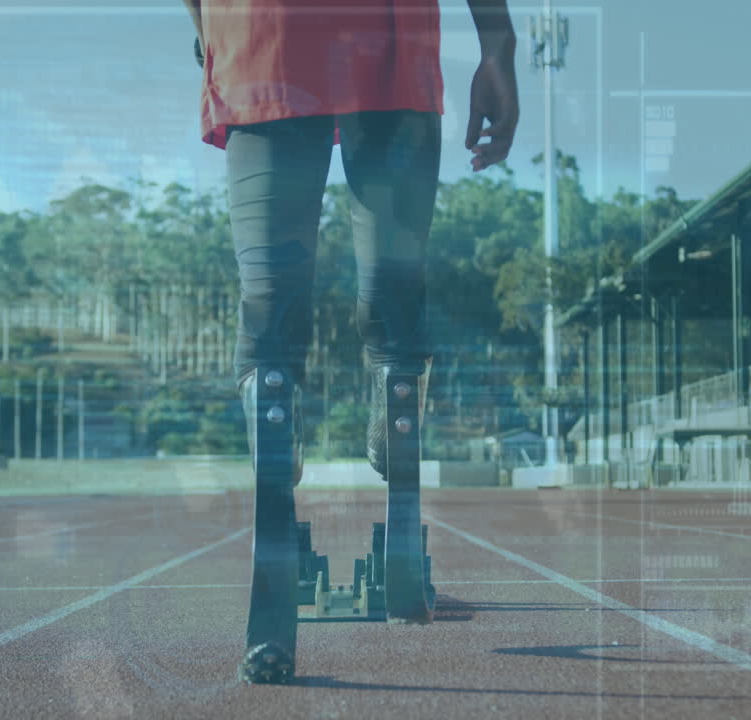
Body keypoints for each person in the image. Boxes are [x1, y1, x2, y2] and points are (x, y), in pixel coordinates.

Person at [182, 0, 518, 483]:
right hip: (389, 35)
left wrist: (211, 32)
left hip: (262, 34)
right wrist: (497, 49)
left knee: (270, 293)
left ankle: (270, 395)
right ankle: (398, 388)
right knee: (393, 285)